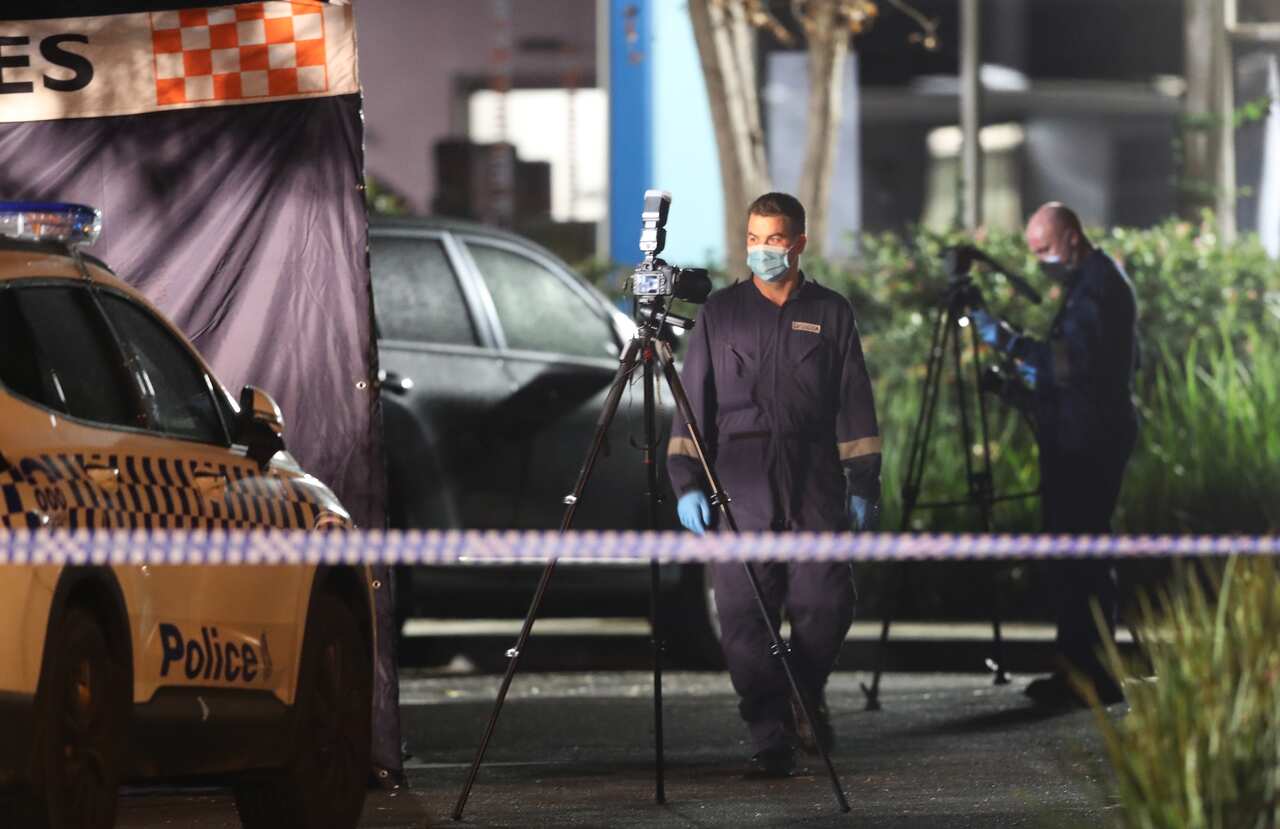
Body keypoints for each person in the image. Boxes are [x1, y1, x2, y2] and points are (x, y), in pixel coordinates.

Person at [666, 192, 881, 777]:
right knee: (743, 616)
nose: (764, 251)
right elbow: (692, 405)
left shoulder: (832, 313)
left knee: (828, 602)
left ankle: (801, 691)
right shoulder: (721, 314)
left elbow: (854, 403)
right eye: (755, 240)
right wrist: (687, 480)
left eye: (775, 239)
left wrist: (864, 483)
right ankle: (770, 734)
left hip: (813, 476)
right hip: (739, 479)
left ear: (799, 243)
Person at [971, 202, 1139, 708]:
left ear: (1070, 237)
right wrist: (1019, 386)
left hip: (1088, 440)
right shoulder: (1095, 279)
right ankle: (1080, 669)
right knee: (1079, 554)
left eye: (1044, 249)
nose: (1040, 260)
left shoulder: (1098, 285)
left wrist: (1006, 342)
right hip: (1084, 433)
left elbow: (1070, 367)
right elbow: (1078, 372)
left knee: (1079, 555)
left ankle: (1087, 674)